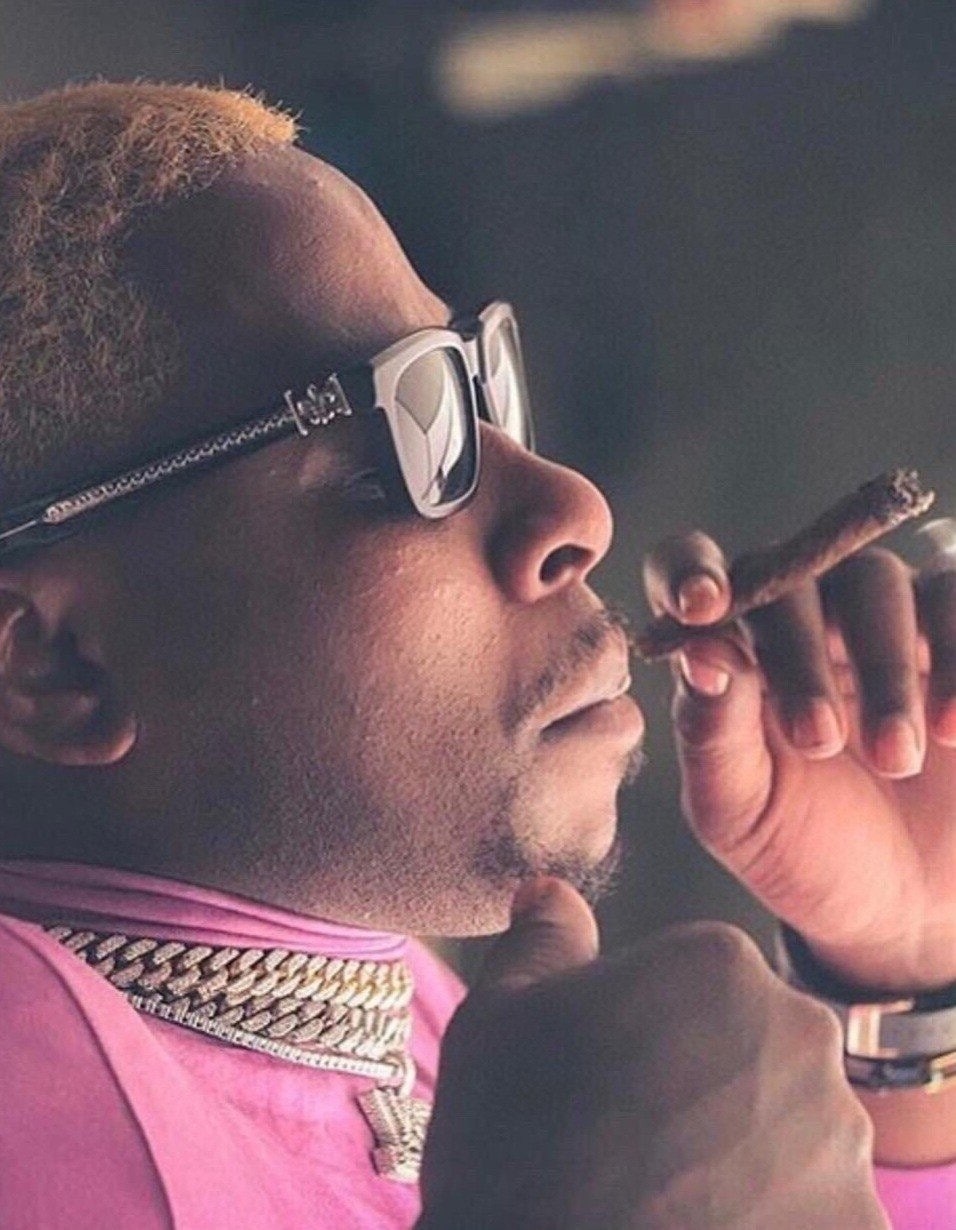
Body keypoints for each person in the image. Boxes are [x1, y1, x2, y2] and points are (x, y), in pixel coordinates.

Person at [0, 81, 952, 1229]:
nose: (574, 509)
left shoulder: (372, 988)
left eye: (472, 387)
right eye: (396, 443)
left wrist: (899, 968)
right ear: (57, 664)